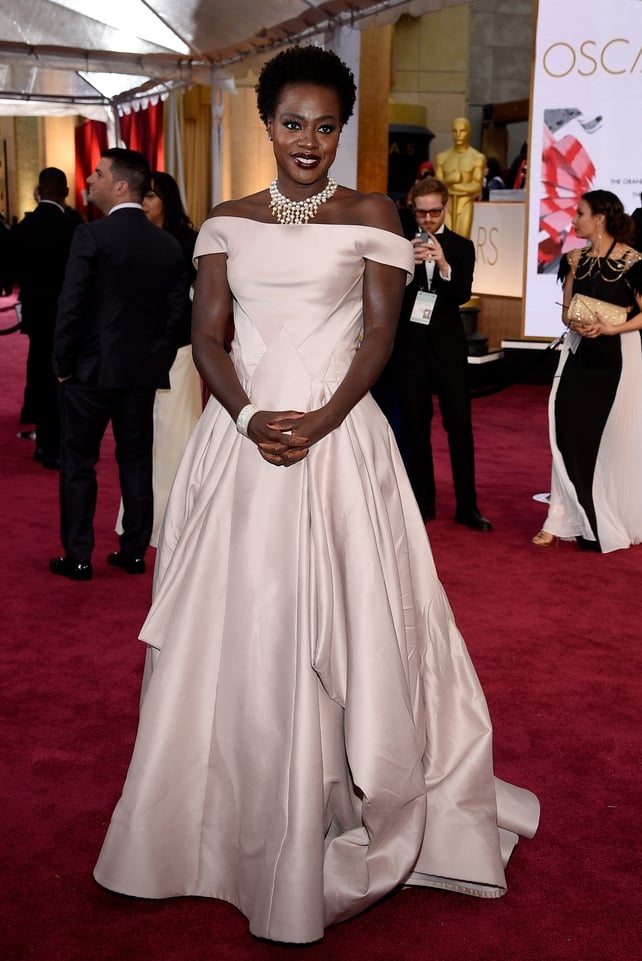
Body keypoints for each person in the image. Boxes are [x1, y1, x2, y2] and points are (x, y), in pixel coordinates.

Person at [94, 47, 538, 944]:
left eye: (326, 126)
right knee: (235, 624)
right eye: (293, 123)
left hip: (339, 443)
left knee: (349, 621)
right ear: (266, 123)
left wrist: (325, 415)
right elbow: (207, 336)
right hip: (240, 442)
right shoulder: (225, 220)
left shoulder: (371, 213)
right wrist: (252, 414)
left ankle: (343, 796)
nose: (309, 141)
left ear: (343, 129)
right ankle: (207, 821)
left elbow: (379, 335)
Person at [49, 148, 189, 582]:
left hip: (89, 373)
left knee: (78, 463)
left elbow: (71, 305)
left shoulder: (91, 236)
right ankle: (133, 552)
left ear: (121, 185)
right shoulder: (166, 244)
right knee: (136, 461)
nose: (90, 180)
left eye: (98, 173)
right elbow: (175, 317)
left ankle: (78, 556)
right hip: (140, 374)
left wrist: (61, 364)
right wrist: (156, 361)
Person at [532, 189, 642, 553]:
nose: (573, 219)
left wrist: (612, 328)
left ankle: (607, 516)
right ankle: (557, 518)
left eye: (580, 213)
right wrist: (577, 321)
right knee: (564, 432)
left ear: (599, 218)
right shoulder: (574, 259)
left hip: (619, 359)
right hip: (578, 355)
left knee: (611, 440)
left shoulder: (633, 260)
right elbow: (566, 311)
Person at [382, 175, 492, 530]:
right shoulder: (400, 246)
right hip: (410, 351)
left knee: (459, 427)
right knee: (415, 428)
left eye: (433, 212)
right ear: (412, 209)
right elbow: (390, 297)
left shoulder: (461, 247)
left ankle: (468, 506)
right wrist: (408, 268)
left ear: (445, 208)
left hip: (448, 351)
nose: (427, 219)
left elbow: (461, 294)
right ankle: (423, 501)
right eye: (420, 213)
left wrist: (443, 265)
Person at [115, 171, 202, 547]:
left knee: (175, 436)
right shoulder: (139, 239)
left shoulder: (188, 241)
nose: (144, 203)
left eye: (150, 196)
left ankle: (174, 521)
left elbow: (192, 306)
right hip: (139, 353)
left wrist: (167, 347)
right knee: (142, 439)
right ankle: (140, 520)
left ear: (166, 199)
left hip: (178, 353)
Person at [11, 167, 78, 468]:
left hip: (36, 312)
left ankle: (41, 435)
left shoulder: (24, 227)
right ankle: (56, 443)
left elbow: (12, 270)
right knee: (62, 378)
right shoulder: (73, 227)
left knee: (38, 368)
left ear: (38, 191)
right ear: (64, 192)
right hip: (65, 315)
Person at [435, 117, 485, 238]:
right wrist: (450, 179)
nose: (458, 135)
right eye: (455, 131)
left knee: (463, 239)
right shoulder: (442, 157)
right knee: (445, 239)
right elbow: (437, 185)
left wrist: (455, 185)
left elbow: (477, 186)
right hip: (447, 204)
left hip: (465, 203)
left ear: (469, 132)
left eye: (462, 131)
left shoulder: (477, 157)